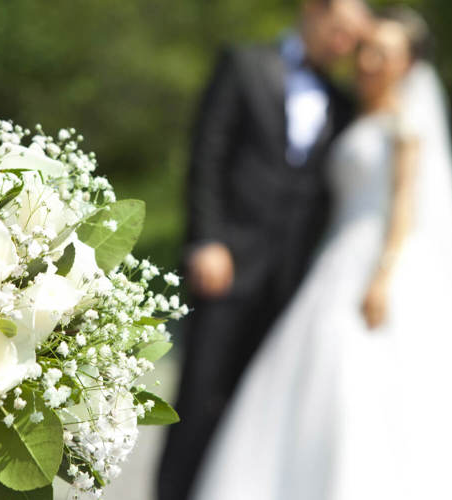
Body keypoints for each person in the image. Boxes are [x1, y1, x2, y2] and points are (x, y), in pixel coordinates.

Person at [189, 7, 452, 499]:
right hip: (329, 261)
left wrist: (383, 275)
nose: (368, 60)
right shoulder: (350, 110)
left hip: (373, 267)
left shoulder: (406, 124)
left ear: (409, 65)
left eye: (383, 53)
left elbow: (406, 210)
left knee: (362, 385)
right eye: (368, 49)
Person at [157, 1, 370, 499]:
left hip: (292, 286)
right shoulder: (243, 64)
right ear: (312, 10)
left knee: (252, 415)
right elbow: (207, 157)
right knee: (196, 402)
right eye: (339, 31)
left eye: (353, 39)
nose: (344, 46)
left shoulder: (342, 102)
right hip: (225, 266)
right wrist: (206, 240)